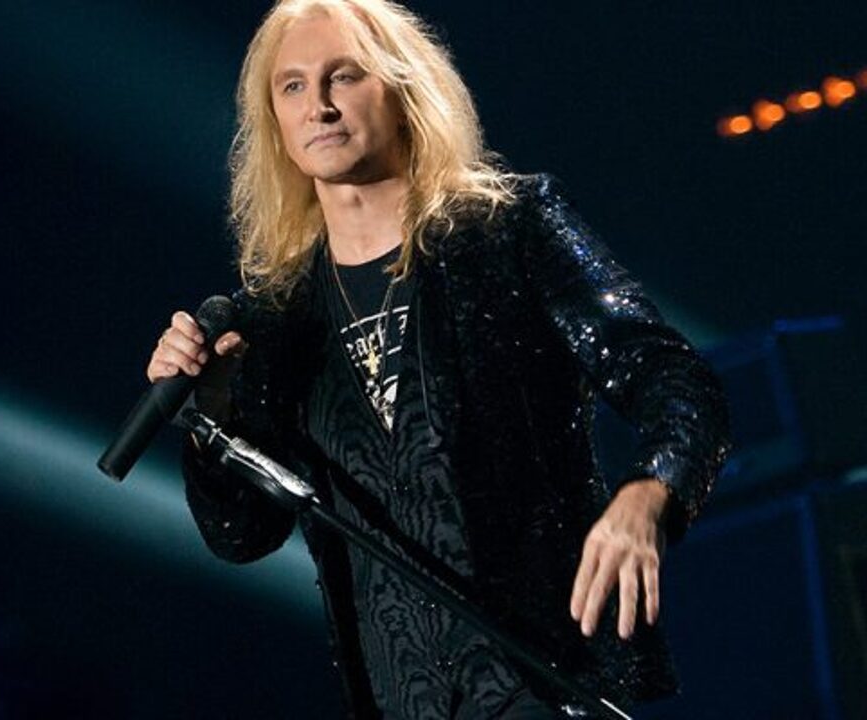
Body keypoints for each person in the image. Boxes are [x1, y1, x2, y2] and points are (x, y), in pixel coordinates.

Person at [146, 1, 730, 717]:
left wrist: (648, 497)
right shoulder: (279, 319)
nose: (319, 106)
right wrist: (213, 414)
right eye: (292, 86)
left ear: (402, 89)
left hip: (543, 682)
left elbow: (676, 381)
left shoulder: (508, 233)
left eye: (344, 76)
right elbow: (241, 536)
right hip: (403, 700)